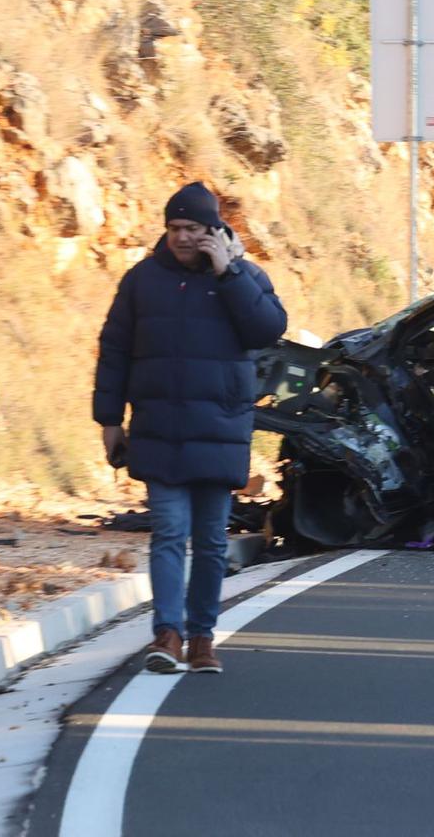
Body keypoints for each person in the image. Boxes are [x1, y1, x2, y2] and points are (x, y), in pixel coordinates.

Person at [94, 182, 287, 674]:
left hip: (220, 432)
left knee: (211, 542)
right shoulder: (142, 281)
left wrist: (230, 272)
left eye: (193, 229)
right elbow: (114, 350)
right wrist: (110, 420)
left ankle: (202, 637)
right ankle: (168, 634)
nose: (181, 237)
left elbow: (267, 330)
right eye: (174, 228)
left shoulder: (243, 276)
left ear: (214, 231)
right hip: (160, 430)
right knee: (168, 533)